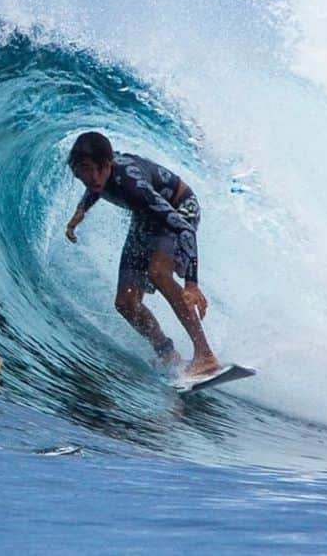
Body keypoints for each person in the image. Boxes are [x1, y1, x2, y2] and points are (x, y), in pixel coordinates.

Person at [65, 131, 220, 377]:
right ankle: (167, 353)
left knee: (158, 272)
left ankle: (205, 355)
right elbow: (97, 185)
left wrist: (191, 283)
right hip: (146, 219)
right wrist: (81, 210)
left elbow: (184, 228)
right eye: (85, 170)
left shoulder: (133, 185)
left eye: (99, 169)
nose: (93, 177)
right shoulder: (98, 176)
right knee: (125, 303)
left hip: (180, 208)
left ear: (108, 164)